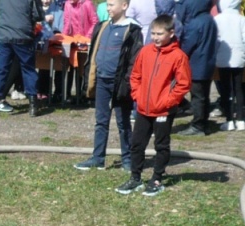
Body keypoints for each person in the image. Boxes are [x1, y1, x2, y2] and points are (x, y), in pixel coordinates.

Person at [115, 14, 190, 196]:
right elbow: (135, 75)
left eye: (159, 34)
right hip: (143, 108)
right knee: (137, 144)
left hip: (163, 110)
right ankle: (135, 178)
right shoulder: (145, 51)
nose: (155, 37)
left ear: (171, 33)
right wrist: (137, 96)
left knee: (161, 145)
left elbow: (183, 84)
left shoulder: (178, 56)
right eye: (153, 33)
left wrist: (167, 102)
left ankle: (156, 178)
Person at [74, 0, 142, 171]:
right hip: (102, 81)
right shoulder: (102, 27)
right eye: (107, 5)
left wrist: (127, 83)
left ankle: (127, 159)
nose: (108, 8)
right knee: (101, 121)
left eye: (112, 5)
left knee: (123, 122)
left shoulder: (132, 30)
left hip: (120, 84)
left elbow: (134, 60)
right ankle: (98, 158)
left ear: (124, 6)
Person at [0, 0, 44, 117]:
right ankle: (33, 105)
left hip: (4, 35)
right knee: (28, 69)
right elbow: (38, 15)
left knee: (0, 69)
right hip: (22, 35)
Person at [176, 0, 218, 136]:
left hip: (197, 65)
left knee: (197, 97)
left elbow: (188, 44)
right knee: (204, 95)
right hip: (208, 63)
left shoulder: (195, 23)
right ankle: (204, 122)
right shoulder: (210, 20)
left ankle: (197, 126)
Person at [214, 0, 245, 131]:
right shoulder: (241, 19)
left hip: (223, 57)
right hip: (239, 56)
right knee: (239, 88)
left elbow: (215, 39)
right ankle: (241, 119)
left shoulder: (217, 19)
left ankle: (229, 119)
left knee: (226, 89)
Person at [62, 0, 98, 102]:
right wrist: (64, 38)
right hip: (72, 41)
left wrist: (86, 37)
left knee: (83, 69)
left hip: (85, 42)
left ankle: (83, 94)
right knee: (69, 67)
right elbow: (66, 22)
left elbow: (95, 22)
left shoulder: (87, 3)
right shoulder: (67, 4)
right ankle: (67, 94)